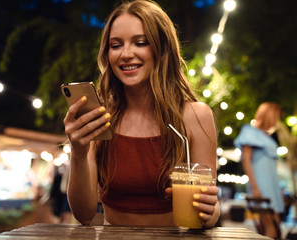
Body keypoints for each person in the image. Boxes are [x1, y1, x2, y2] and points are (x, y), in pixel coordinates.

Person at [64, 0, 220, 227]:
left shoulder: (196, 116)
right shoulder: (99, 117)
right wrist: (78, 152)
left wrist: (210, 212)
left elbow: (209, 211)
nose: (126, 54)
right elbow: (84, 214)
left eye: (140, 42)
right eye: (116, 45)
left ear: (162, 48)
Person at [234, 102, 284, 239]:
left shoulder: (266, 136)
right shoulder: (250, 132)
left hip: (271, 186)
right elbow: (246, 160)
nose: (276, 122)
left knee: (270, 228)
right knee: (271, 228)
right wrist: (255, 187)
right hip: (262, 186)